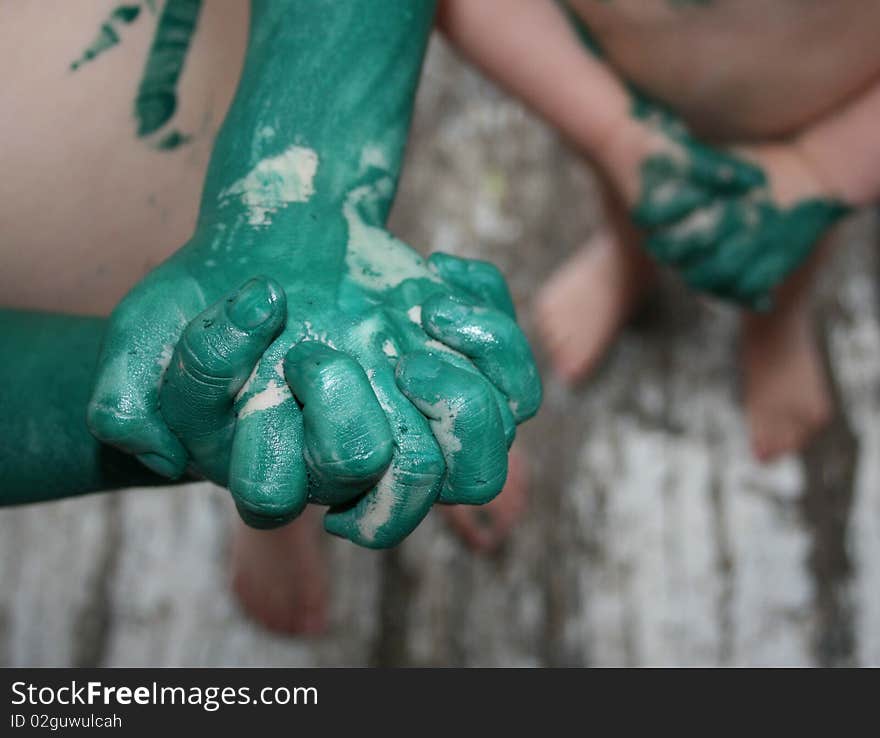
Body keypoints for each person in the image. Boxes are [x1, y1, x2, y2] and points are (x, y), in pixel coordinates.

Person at [0, 0, 541, 634]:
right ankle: (263, 472)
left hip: (269, 78)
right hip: (57, 283)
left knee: (345, 311)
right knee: (254, 404)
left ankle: (357, 376)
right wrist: (172, 406)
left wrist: (306, 192)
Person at [439, 0, 880, 462]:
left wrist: (823, 171)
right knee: (633, 196)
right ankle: (629, 261)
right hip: (613, 91)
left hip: (823, 120)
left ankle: (776, 319)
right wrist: (612, 131)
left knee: (790, 243)